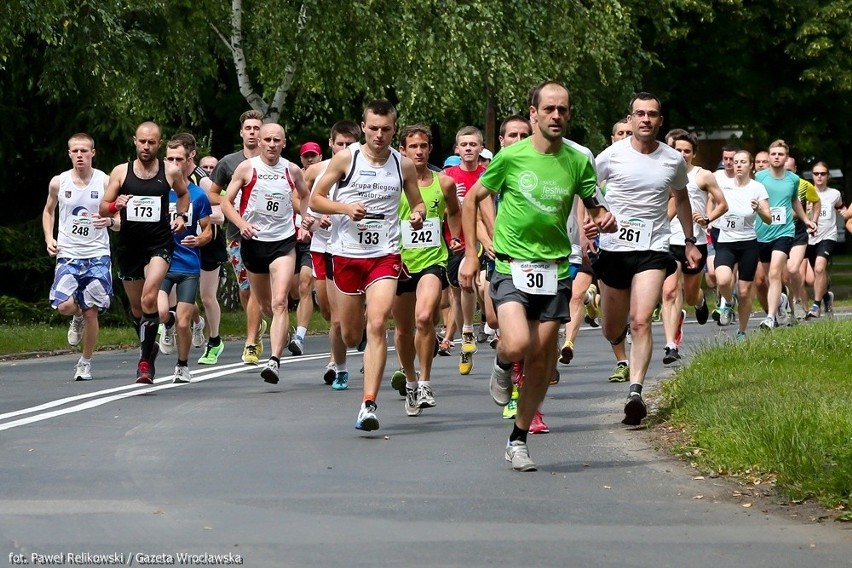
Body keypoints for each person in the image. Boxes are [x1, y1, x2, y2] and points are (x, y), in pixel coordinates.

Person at [460, 80, 615, 472]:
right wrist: (471, 256)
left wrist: (604, 220)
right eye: (549, 109)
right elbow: (472, 199)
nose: (557, 116)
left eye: (563, 109)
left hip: (556, 269)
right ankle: (500, 362)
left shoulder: (578, 161)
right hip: (512, 264)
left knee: (542, 366)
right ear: (534, 113)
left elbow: (594, 207)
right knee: (516, 343)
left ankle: (518, 439)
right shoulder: (511, 158)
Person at [310, 99, 426, 431]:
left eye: (386, 129)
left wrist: (417, 213)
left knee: (377, 325)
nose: (379, 135)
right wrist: (345, 209)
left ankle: (368, 404)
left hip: (385, 256)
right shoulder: (347, 159)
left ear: (394, 129)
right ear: (363, 127)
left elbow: (416, 200)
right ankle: (355, 324)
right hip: (347, 254)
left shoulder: (402, 165)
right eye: (373, 128)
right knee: (349, 336)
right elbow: (316, 199)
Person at [590, 92, 698, 426]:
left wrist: (690, 240)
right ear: (631, 118)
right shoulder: (610, 156)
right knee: (613, 329)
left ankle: (636, 392)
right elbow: (585, 188)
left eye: (652, 114)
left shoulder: (672, 160)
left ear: (660, 121)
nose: (646, 119)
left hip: (653, 247)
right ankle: (610, 324)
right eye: (640, 114)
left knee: (640, 320)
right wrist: (590, 222)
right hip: (613, 249)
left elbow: (681, 198)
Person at [220, 123, 312, 384]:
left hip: (283, 243)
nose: (272, 144)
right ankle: (278, 329)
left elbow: (305, 196)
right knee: (264, 305)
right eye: (267, 140)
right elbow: (226, 202)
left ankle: (274, 361)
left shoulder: (292, 170)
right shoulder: (246, 168)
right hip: (253, 242)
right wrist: (241, 225)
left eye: (277, 140)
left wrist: (305, 221)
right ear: (259, 142)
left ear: (284, 143)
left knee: (280, 301)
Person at [100, 121, 189, 384]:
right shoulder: (121, 172)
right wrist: (117, 203)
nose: (146, 147)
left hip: (159, 245)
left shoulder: (170, 171)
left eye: (152, 142)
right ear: (135, 142)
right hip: (129, 246)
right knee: (138, 308)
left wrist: (181, 216)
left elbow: (183, 195)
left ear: (159, 144)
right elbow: (104, 208)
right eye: (142, 141)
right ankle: (148, 345)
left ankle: (145, 363)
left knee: (151, 298)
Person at [391, 124, 461, 416]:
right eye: (412, 147)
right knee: (404, 329)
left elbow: (455, 211)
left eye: (423, 146)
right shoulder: (393, 183)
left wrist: (455, 236)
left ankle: (426, 382)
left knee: (424, 318)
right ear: (403, 151)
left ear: (430, 149)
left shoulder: (443, 183)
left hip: (433, 259)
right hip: (398, 261)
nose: (418, 151)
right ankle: (410, 381)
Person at [42, 133, 117, 381]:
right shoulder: (59, 182)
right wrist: (48, 238)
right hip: (69, 253)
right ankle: (75, 316)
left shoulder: (105, 181)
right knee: (64, 305)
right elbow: (48, 211)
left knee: (91, 311)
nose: (80, 155)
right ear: (69, 153)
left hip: (97, 254)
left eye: (84, 151)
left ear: (93, 153)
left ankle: (85, 362)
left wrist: (111, 221)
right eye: (75, 151)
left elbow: (119, 218)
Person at [659, 130, 727, 363]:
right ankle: (670, 345)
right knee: (669, 291)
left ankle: (699, 302)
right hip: (669, 241)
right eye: (678, 150)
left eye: (687, 151)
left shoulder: (703, 176)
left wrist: (707, 220)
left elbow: (722, 204)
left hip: (694, 242)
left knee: (689, 294)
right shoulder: (664, 175)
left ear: (693, 154)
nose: (682, 154)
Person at [303, 120, 362, 387]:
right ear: (331, 144)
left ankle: (337, 365)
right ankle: (351, 332)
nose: (345, 149)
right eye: (341, 144)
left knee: (338, 318)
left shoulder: (366, 170)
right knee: (326, 310)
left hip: (354, 248)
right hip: (323, 245)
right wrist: (310, 219)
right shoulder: (318, 170)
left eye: (350, 144)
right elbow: (300, 198)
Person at [207, 110, 267, 365]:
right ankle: (258, 325)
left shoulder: (272, 162)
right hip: (236, 233)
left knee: (261, 290)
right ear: (242, 132)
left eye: (257, 128)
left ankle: (251, 340)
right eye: (249, 128)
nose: (253, 132)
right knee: (246, 289)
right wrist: (230, 201)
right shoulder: (228, 163)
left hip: (268, 234)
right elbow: (211, 193)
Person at [158, 135, 213, 383]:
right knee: (160, 312)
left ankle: (182, 366)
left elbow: (208, 231)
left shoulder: (197, 195)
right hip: (161, 261)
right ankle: (166, 325)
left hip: (188, 264)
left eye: (179, 159)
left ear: (187, 160)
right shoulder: (156, 191)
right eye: (169, 158)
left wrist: (198, 240)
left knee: (183, 322)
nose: (174, 164)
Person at [754, 140, 816, 330]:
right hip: (763, 232)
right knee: (769, 277)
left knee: (775, 272)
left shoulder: (793, 179)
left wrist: (806, 220)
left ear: (786, 157)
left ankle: (771, 317)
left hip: (785, 231)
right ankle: (781, 301)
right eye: (773, 154)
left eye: (780, 154)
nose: (776, 157)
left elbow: (794, 200)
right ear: (769, 156)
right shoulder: (759, 177)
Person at [713, 150, 771, 339]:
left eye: (742, 162)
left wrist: (759, 210)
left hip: (748, 244)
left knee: (745, 292)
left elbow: (769, 218)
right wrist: (708, 220)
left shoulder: (757, 188)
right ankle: (728, 302)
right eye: (735, 162)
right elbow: (713, 203)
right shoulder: (723, 185)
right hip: (726, 242)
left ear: (750, 166)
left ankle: (742, 331)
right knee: (722, 279)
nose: (737, 165)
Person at [443, 126, 487, 376]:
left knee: (468, 280)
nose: (469, 148)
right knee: (456, 294)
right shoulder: (448, 176)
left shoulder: (488, 174)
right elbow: (440, 210)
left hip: (479, 241)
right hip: (453, 242)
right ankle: (465, 340)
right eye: (464, 144)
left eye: (473, 144)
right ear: (457, 149)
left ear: (480, 149)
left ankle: (473, 328)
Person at [784, 155, 821, 320]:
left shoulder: (805, 186)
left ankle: (798, 301)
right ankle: (790, 306)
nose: (787, 174)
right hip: (777, 233)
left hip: (798, 233)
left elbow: (817, 201)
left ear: (795, 169)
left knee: (793, 269)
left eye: (790, 170)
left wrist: (813, 220)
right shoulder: (771, 185)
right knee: (784, 276)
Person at [805, 162, 842, 318]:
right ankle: (827, 296)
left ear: (828, 176)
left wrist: (846, 215)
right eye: (816, 173)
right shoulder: (804, 192)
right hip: (808, 238)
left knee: (820, 269)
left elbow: (841, 207)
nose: (819, 176)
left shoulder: (835, 193)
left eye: (823, 173)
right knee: (811, 278)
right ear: (812, 175)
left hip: (828, 236)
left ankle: (816, 305)